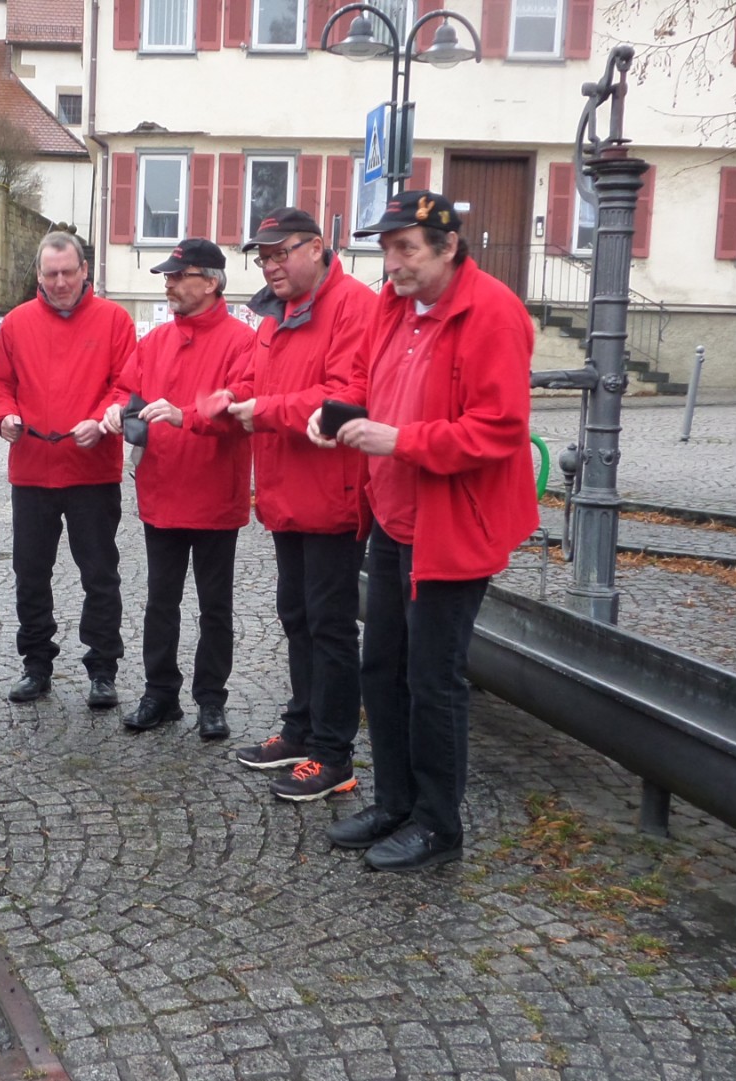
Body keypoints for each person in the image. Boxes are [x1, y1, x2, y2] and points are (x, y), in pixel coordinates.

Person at [312, 192, 536, 870]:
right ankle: (394, 803)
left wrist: (400, 440)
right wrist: (339, 415)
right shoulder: (394, 305)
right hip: (394, 515)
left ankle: (439, 824)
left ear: (448, 247)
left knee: (432, 678)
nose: (392, 263)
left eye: (406, 248)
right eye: (387, 249)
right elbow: (375, 385)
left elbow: (498, 430)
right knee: (382, 667)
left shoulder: (493, 312)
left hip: (452, 525)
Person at [212, 207, 375, 802]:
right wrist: (231, 397)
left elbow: (348, 394)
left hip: (331, 493)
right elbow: (262, 383)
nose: (271, 265)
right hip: (285, 493)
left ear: (316, 247)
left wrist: (264, 410)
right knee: (297, 617)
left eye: (281, 253)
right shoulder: (274, 313)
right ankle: (301, 729)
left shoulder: (353, 306)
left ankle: (334, 755)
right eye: (264, 257)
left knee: (330, 627)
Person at [104, 238, 254, 739]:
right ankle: (160, 693)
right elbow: (127, 391)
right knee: (160, 603)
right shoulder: (155, 341)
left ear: (210, 282)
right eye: (167, 276)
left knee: (215, 607)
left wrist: (184, 414)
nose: (167, 284)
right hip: (163, 491)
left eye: (177, 275)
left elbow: (240, 406)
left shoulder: (242, 341)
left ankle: (211, 700)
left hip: (215, 493)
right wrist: (115, 410)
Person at [0, 232, 137, 709]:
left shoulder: (115, 320)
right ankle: (36, 664)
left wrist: (101, 420)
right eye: (51, 274)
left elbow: (126, 384)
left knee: (100, 575)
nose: (61, 282)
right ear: (39, 275)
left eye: (68, 272)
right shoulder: (16, 322)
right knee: (30, 574)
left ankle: (103, 668)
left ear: (84, 270)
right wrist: (4, 416)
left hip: (92, 471)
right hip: (33, 470)